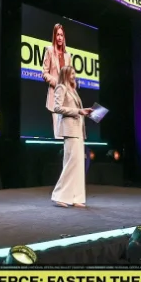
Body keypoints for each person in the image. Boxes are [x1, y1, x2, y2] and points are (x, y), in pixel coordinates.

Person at [51, 66, 92, 208]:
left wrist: (84, 112)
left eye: (74, 73)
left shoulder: (73, 90)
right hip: (70, 131)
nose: (74, 76)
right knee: (70, 164)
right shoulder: (61, 88)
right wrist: (78, 111)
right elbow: (57, 108)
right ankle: (59, 196)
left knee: (78, 165)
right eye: (72, 73)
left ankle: (76, 197)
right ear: (66, 75)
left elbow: (77, 110)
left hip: (78, 130)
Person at [42, 23, 71, 139]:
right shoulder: (49, 51)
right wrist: (57, 83)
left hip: (67, 101)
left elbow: (70, 76)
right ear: (54, 36)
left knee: (68, 136)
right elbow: (44, 73)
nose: (59, 37)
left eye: (61, 35)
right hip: (55, 98)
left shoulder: (68, 55)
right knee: (59, 136)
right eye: (57, 35)